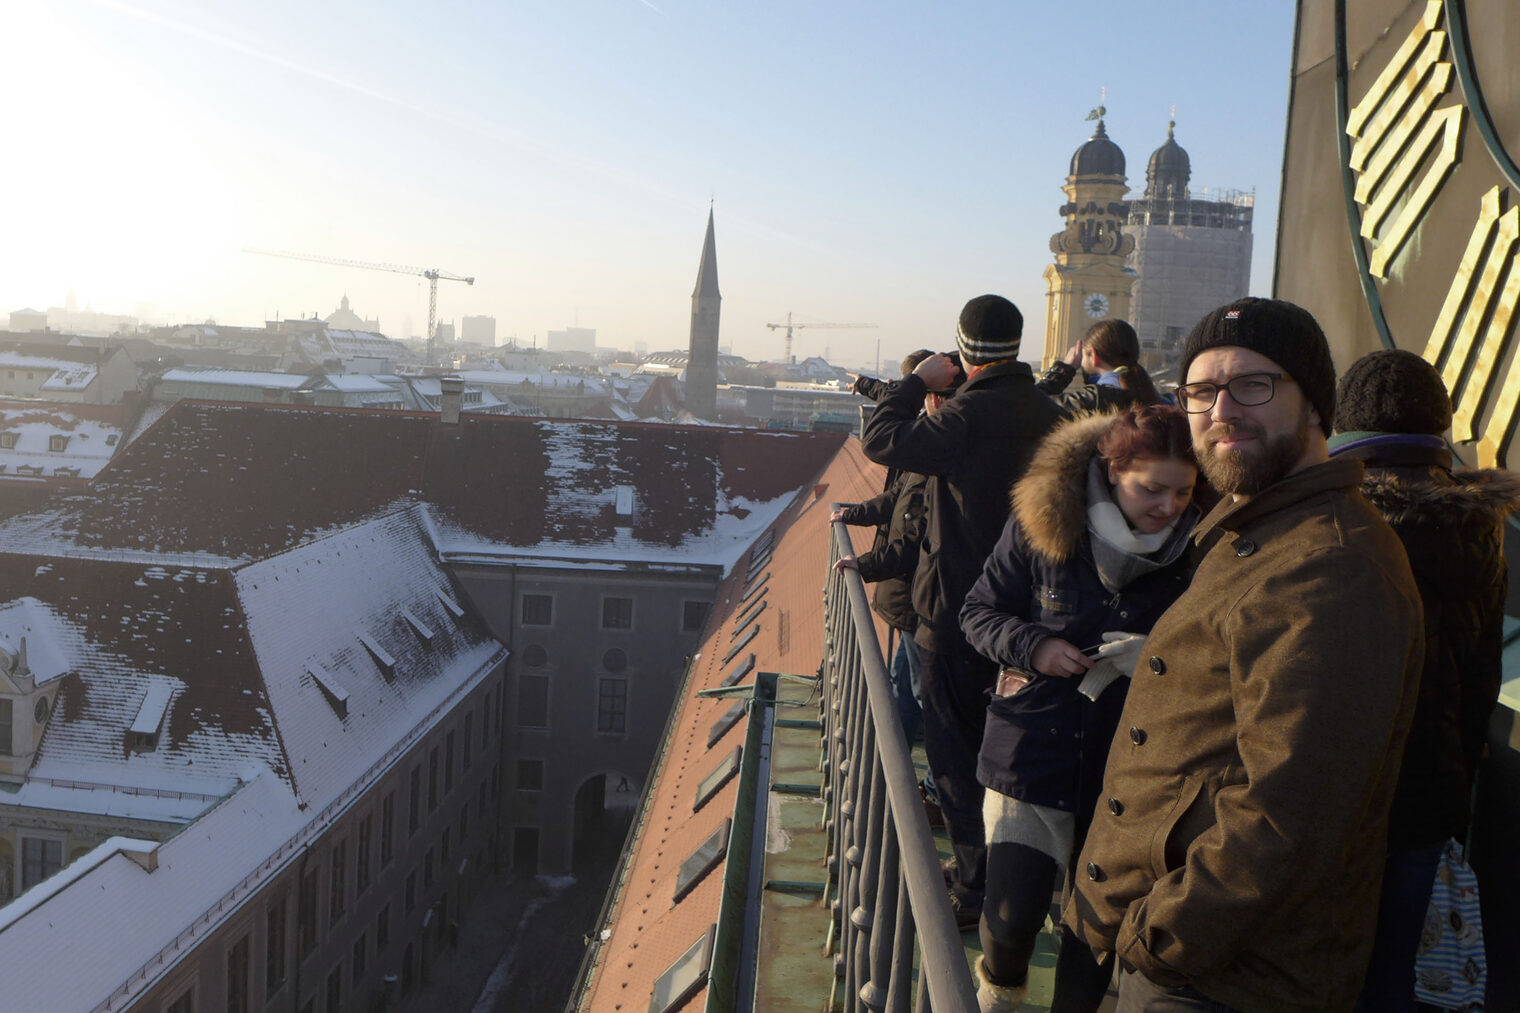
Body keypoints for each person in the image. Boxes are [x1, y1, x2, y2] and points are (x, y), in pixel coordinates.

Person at [1065, 297, 1425, 1012]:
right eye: (1201, 390)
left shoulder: (1331, 564)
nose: (1221, 409)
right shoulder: (1263, 529)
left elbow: (1291, 810)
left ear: (1316, 406)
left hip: (1225, 976)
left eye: (1253, 385)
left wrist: (1159, 934)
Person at [960, 405, 1201, 1013]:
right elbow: (977, 613)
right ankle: (1000, 994)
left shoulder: (1207, 549)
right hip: (1032, 750)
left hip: (1132, 770)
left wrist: (1162, 657)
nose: (1169, 506)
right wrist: (1034, 645)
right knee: (1010, 920)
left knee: (1093, 941)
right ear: (1111, 470)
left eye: (1184, 491)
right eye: (1152, 488)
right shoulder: (1044, 524)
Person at [861, 294, 1065, 929]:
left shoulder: (966, 416)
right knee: (1007, 756)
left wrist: (915, 382)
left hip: (952, 612)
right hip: (1026, 615)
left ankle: (976, 892)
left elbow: (881, 439)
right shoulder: (1049, 412)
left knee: (955, 759)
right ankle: (1000, 877)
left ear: (963, 352)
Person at [1328, 349, 1518, 1013]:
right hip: (1427, 793)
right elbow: (1479, 674)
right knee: (1395, 969)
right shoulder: (1477, 522)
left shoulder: (1327, 515)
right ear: (1438, 428)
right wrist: (1458, 774)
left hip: (1325, 790)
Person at [833, 349, 938, 746]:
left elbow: (910, 538)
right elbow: (897, 497)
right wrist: (856, 514)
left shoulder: (928, 448)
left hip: (913, 593)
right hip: (907, 594)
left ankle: (908, 761)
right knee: (904, 676)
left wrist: (864, 565)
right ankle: (895, 743)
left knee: (917, 687)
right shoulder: (929, 441)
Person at [1039, 319, 1162, 414]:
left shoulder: (1096, 398)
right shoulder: (1157, 397)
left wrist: (1064, 370)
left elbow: (1029, 405)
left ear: (1093, 356)